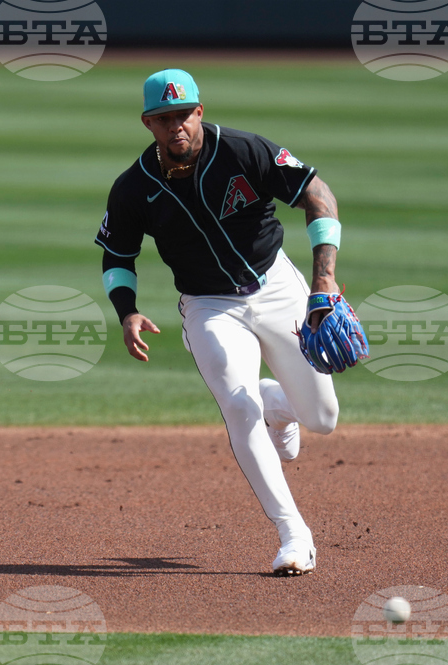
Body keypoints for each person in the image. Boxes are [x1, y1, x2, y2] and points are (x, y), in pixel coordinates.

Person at [96, 69, 347, 575]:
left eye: (183, 114)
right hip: (209, 306)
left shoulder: (243, 151)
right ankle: (294, 534)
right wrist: (127, 311)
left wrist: (324, 280)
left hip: (277, 286)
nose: (176, 126)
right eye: (164, 118)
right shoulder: (133, 187)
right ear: (148, 123)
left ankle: (277, 404)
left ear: (199, 112)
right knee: (237, 404)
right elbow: (117, 255)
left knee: (322, 419)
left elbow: (317, 193)